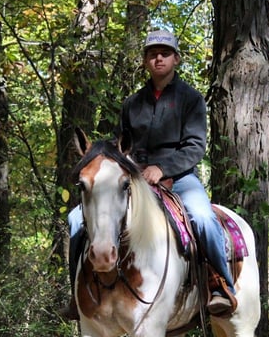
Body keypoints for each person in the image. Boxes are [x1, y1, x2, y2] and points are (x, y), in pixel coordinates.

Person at [62, 29, 236, 319]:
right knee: (76, 218)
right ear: (145, 60)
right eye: (152, 53)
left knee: (203, 217)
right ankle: (79, 294)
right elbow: (121, 147)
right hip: (135, 179)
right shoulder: (133, 103)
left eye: (165, 53)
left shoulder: (191, 99)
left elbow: (196, 146)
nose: (158, 58)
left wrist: (163, 168)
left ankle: (219, 284)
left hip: (180, 178)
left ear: (176, 59)